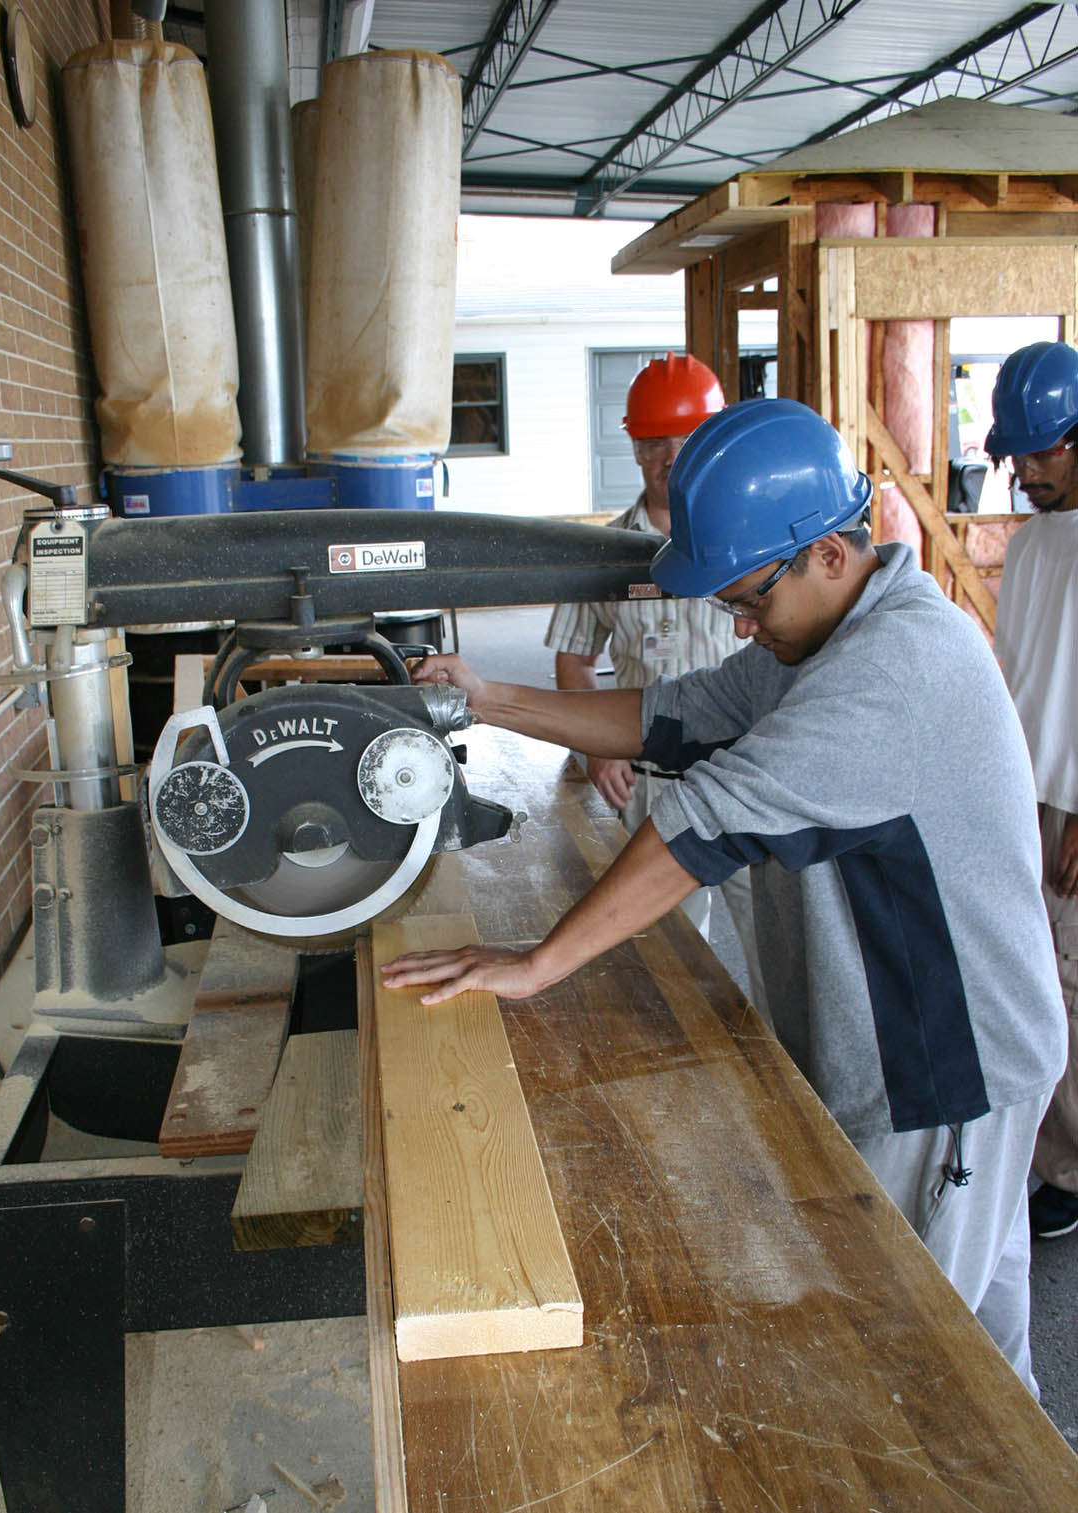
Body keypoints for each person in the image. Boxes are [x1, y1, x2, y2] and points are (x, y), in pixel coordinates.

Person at [383, 398, 1068, 1395]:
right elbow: (673, 716)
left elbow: (701, 818)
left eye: (749, 602)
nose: (740, 627)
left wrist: (535, 963)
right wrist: (489, 698)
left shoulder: (890, 672)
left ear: (830, 554)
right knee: (984, 1354)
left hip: (942, 1076)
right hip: (963, 1052)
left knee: (913, 1365)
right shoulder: (825, 639)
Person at [544, 353, 764, 1014]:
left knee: (777, 948)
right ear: (634, 447)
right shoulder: (601, 554)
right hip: (653, 785)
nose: (669, 457)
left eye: (686, 440)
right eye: (652, 444)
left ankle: (792, 1080)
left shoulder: (753, 541)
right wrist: (598, 745)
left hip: (750, 777)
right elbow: (574, 660)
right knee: (659, 952)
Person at [988, 340, 1078, 1242]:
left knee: (1075, 985)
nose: (1024, 470)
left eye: (1040, 451)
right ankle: (1043, 1151)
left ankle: (1066, 1170)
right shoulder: (1030, 545)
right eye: (1015, 453)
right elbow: (1017, 675)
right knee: (1035, 976)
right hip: (1029, 788)